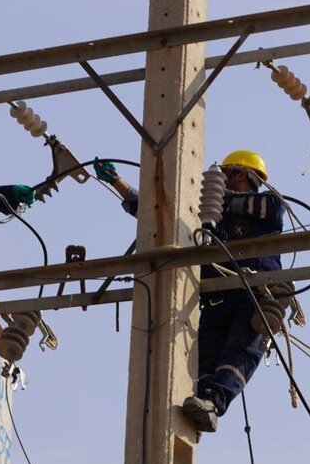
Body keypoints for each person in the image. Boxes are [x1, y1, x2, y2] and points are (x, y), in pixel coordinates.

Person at [94, 150, 285, 433]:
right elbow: (155, 215)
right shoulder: (212, 215)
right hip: (216, 297)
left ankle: (215, 401)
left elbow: (271, 208)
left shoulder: (268, 204)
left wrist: (211, 199)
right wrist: (117, 183)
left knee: (240, 351)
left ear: (241, 175)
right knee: (202, 358)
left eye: (223, 176)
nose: (217, 182)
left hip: (253, 293)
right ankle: (203, 402)